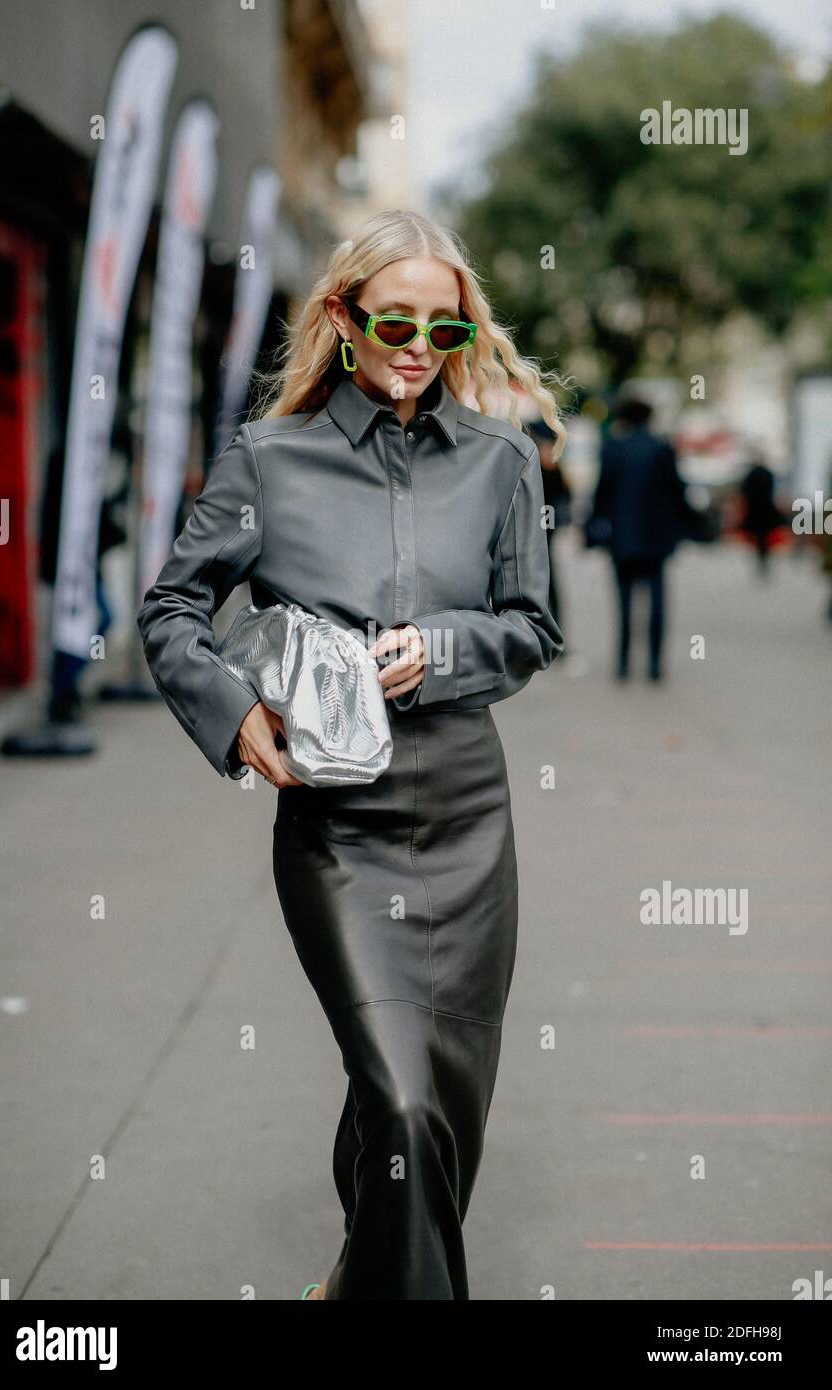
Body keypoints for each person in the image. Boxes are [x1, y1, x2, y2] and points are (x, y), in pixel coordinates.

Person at [137, 209, 565, 1300]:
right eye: (396, 321)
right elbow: (175, 607)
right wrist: (234, 714)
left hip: (469, 814)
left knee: (431, 1109)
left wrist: (448, 645)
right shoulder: (266, 458)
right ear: (341, 315)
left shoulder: (503, 461)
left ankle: (355, 1281)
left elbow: (532, 626)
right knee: (403, 1093)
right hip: (339, 825)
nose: (421, 346)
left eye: (447, 330)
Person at [588, 396, 689, 681]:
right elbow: (677, 492)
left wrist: (592, 530)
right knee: (657, 602)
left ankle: (622, 663)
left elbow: (601, 493)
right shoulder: (662, 448)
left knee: (623, 603)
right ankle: (655, 665)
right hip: (656, 539)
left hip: (621, 539)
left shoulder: (613, 447)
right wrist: (686, 528)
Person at [528, 418, 571, 638]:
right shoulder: (527, 461)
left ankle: (553, 633)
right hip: (529, 530)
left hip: (545, 531)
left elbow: (564, 494)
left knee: (549, 581)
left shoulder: (552, 467)